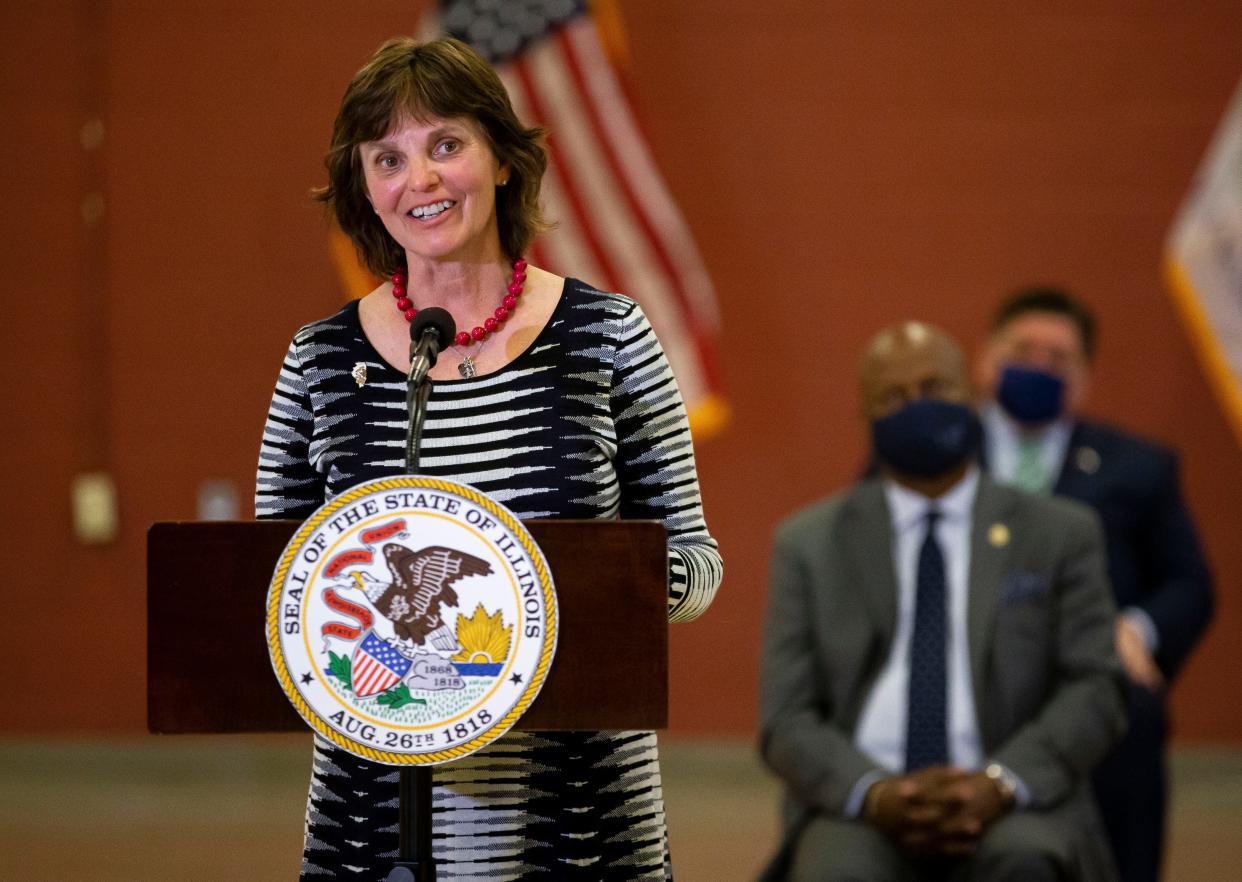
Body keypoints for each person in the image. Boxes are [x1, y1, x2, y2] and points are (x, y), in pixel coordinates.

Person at [256, 36, 723, 880]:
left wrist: (558, 598)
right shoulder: (320, 362)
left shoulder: (609, 337)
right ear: (365, 186)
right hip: (376, 808)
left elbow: (696, 564)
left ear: (502, 160)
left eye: (446, 145)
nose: (421, 181)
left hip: (579, 805)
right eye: (387, 157)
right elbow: (276, 581)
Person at [758, 321, 1126, 882]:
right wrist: (877, 793)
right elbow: (786, 718)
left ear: (974, 395)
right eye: (893, 398)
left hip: (1016, 795)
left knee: (1026, 860)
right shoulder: (809, 542)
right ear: (866, 418)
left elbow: (1095, 689)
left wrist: (999, 782)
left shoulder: (1059, 534)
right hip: (861, 805)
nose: (917, 407)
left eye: (935, 389)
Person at [974, 286, 1214, 882]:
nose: (1039, 367)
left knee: (1129, 706)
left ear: (1086, 376)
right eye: (1023, 350)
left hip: (1089, 663)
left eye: (1059, 358)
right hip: (965, 661)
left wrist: (1135, 628)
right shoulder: (933, 452)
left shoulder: (1139, 465)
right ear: (986, 359)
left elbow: (1189, 583)